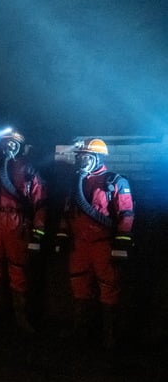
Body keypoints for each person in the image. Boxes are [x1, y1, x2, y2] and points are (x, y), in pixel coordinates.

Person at [54, 138, 134, 349]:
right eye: (80, 157)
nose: (82, 162)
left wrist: (121, 244)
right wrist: (62, 236)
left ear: (97, 158)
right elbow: (68, 211)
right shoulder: (76, 183)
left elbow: (126, 214)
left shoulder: (115, 181)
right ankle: (81, 332)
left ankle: (110, 337)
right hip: (79, 245)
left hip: (103, 244)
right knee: (79, 286)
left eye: (87, 157)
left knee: (108, 288)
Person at [0, 129, 47, 333]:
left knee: (18, 272)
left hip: (18, 224)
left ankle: (21, 319)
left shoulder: (30, 171)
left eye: (13, 143)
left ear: (20, 146)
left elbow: (40, 204)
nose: (9, 146)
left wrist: (37, 233)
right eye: (6, 143)